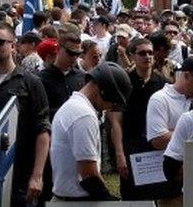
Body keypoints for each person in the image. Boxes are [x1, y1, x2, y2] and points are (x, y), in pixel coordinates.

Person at [0, 21, 51, 206]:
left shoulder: (31, 83)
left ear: (13, 45)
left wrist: (37, 176)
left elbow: (42, 130)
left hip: (21, 175)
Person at [50, 62, 132, 201]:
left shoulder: (73, 105)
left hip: (67, 198)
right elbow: (88, 174)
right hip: (77, 201)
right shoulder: (84, 115)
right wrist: (107, 200)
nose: (111, 107)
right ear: (102, 91)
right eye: (113, 102)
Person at [144, 55, 193, 207]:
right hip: (169, 180)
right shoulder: (160, 99)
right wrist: (192, 135)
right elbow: (158, 140)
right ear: (186, 75)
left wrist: (173, 134)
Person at [115, 37, 167, 201]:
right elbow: (116, 121)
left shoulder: (164, 84)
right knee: (133, 196)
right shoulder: (123, 83)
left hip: (157, 148)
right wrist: (119, 154)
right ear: (132, 56)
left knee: (159, 195)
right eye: (142, 53)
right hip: (131, 147)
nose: (148, 57)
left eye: (151, 53)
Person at [38, 25, 86, 120]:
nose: (74, 58)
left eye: (77, 54)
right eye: (71, 53)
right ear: (59, 49)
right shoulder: (41, 79)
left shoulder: (82, 77)